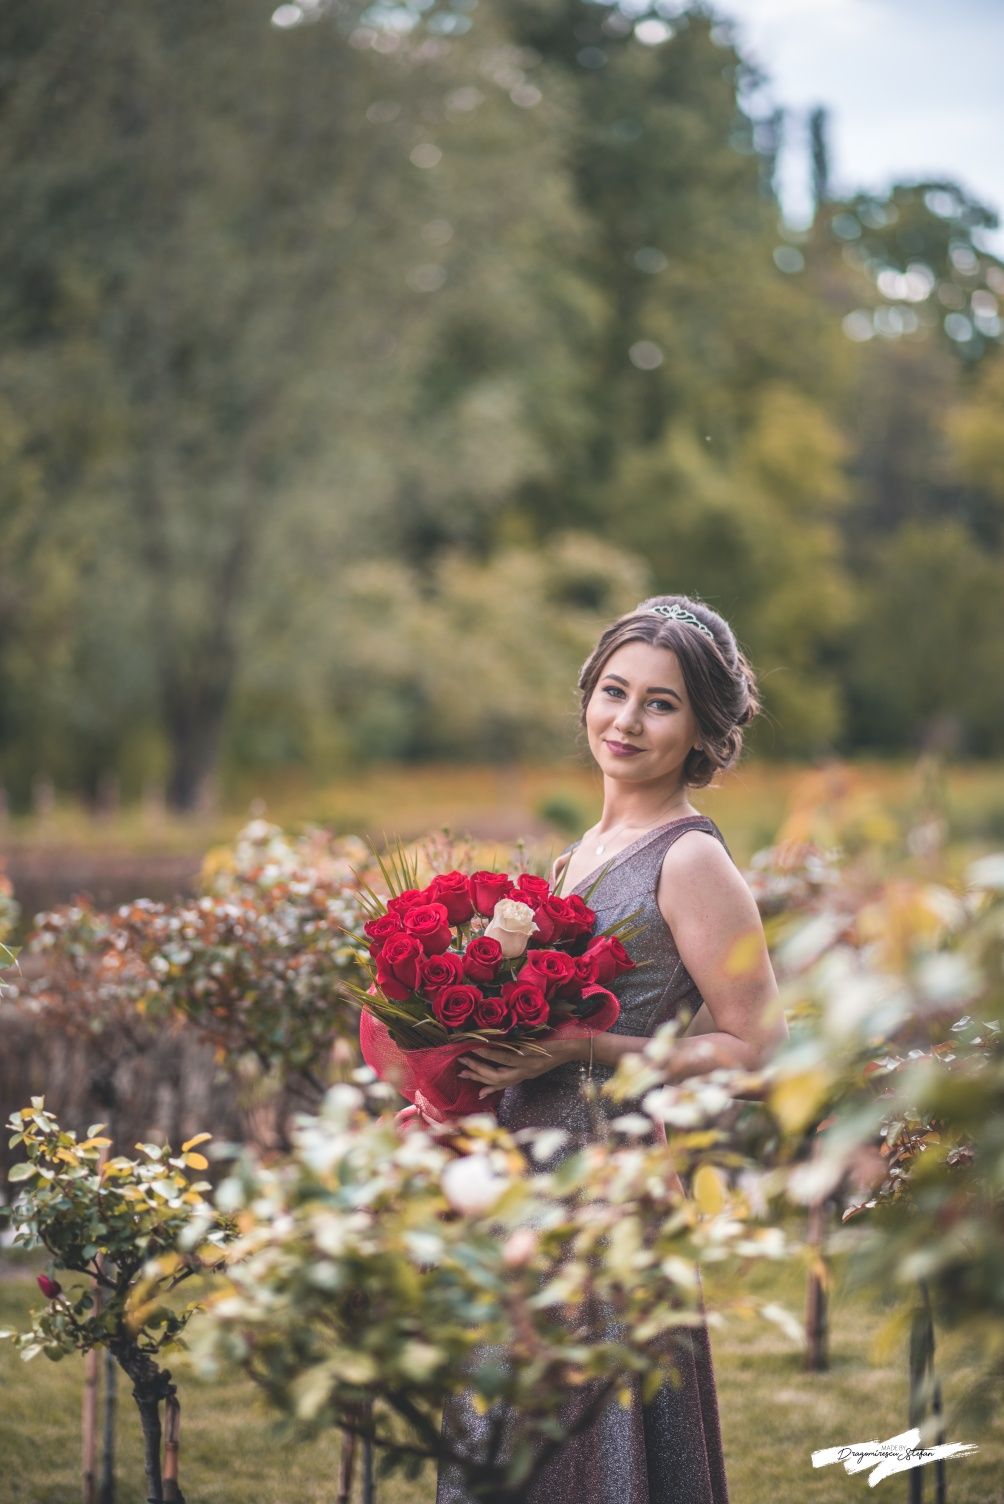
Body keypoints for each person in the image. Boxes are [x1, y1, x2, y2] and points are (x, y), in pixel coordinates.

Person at [435, 593, 787, 1504]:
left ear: (704, 726)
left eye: (661, 703)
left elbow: (758, 1053)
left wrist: (585, 1047)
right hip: (519, 1190)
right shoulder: (582, 851)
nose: (626, 720)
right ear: (588, 694)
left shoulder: (690, 861)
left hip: (606, 1196)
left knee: (589, 1454)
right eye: (615, 691)